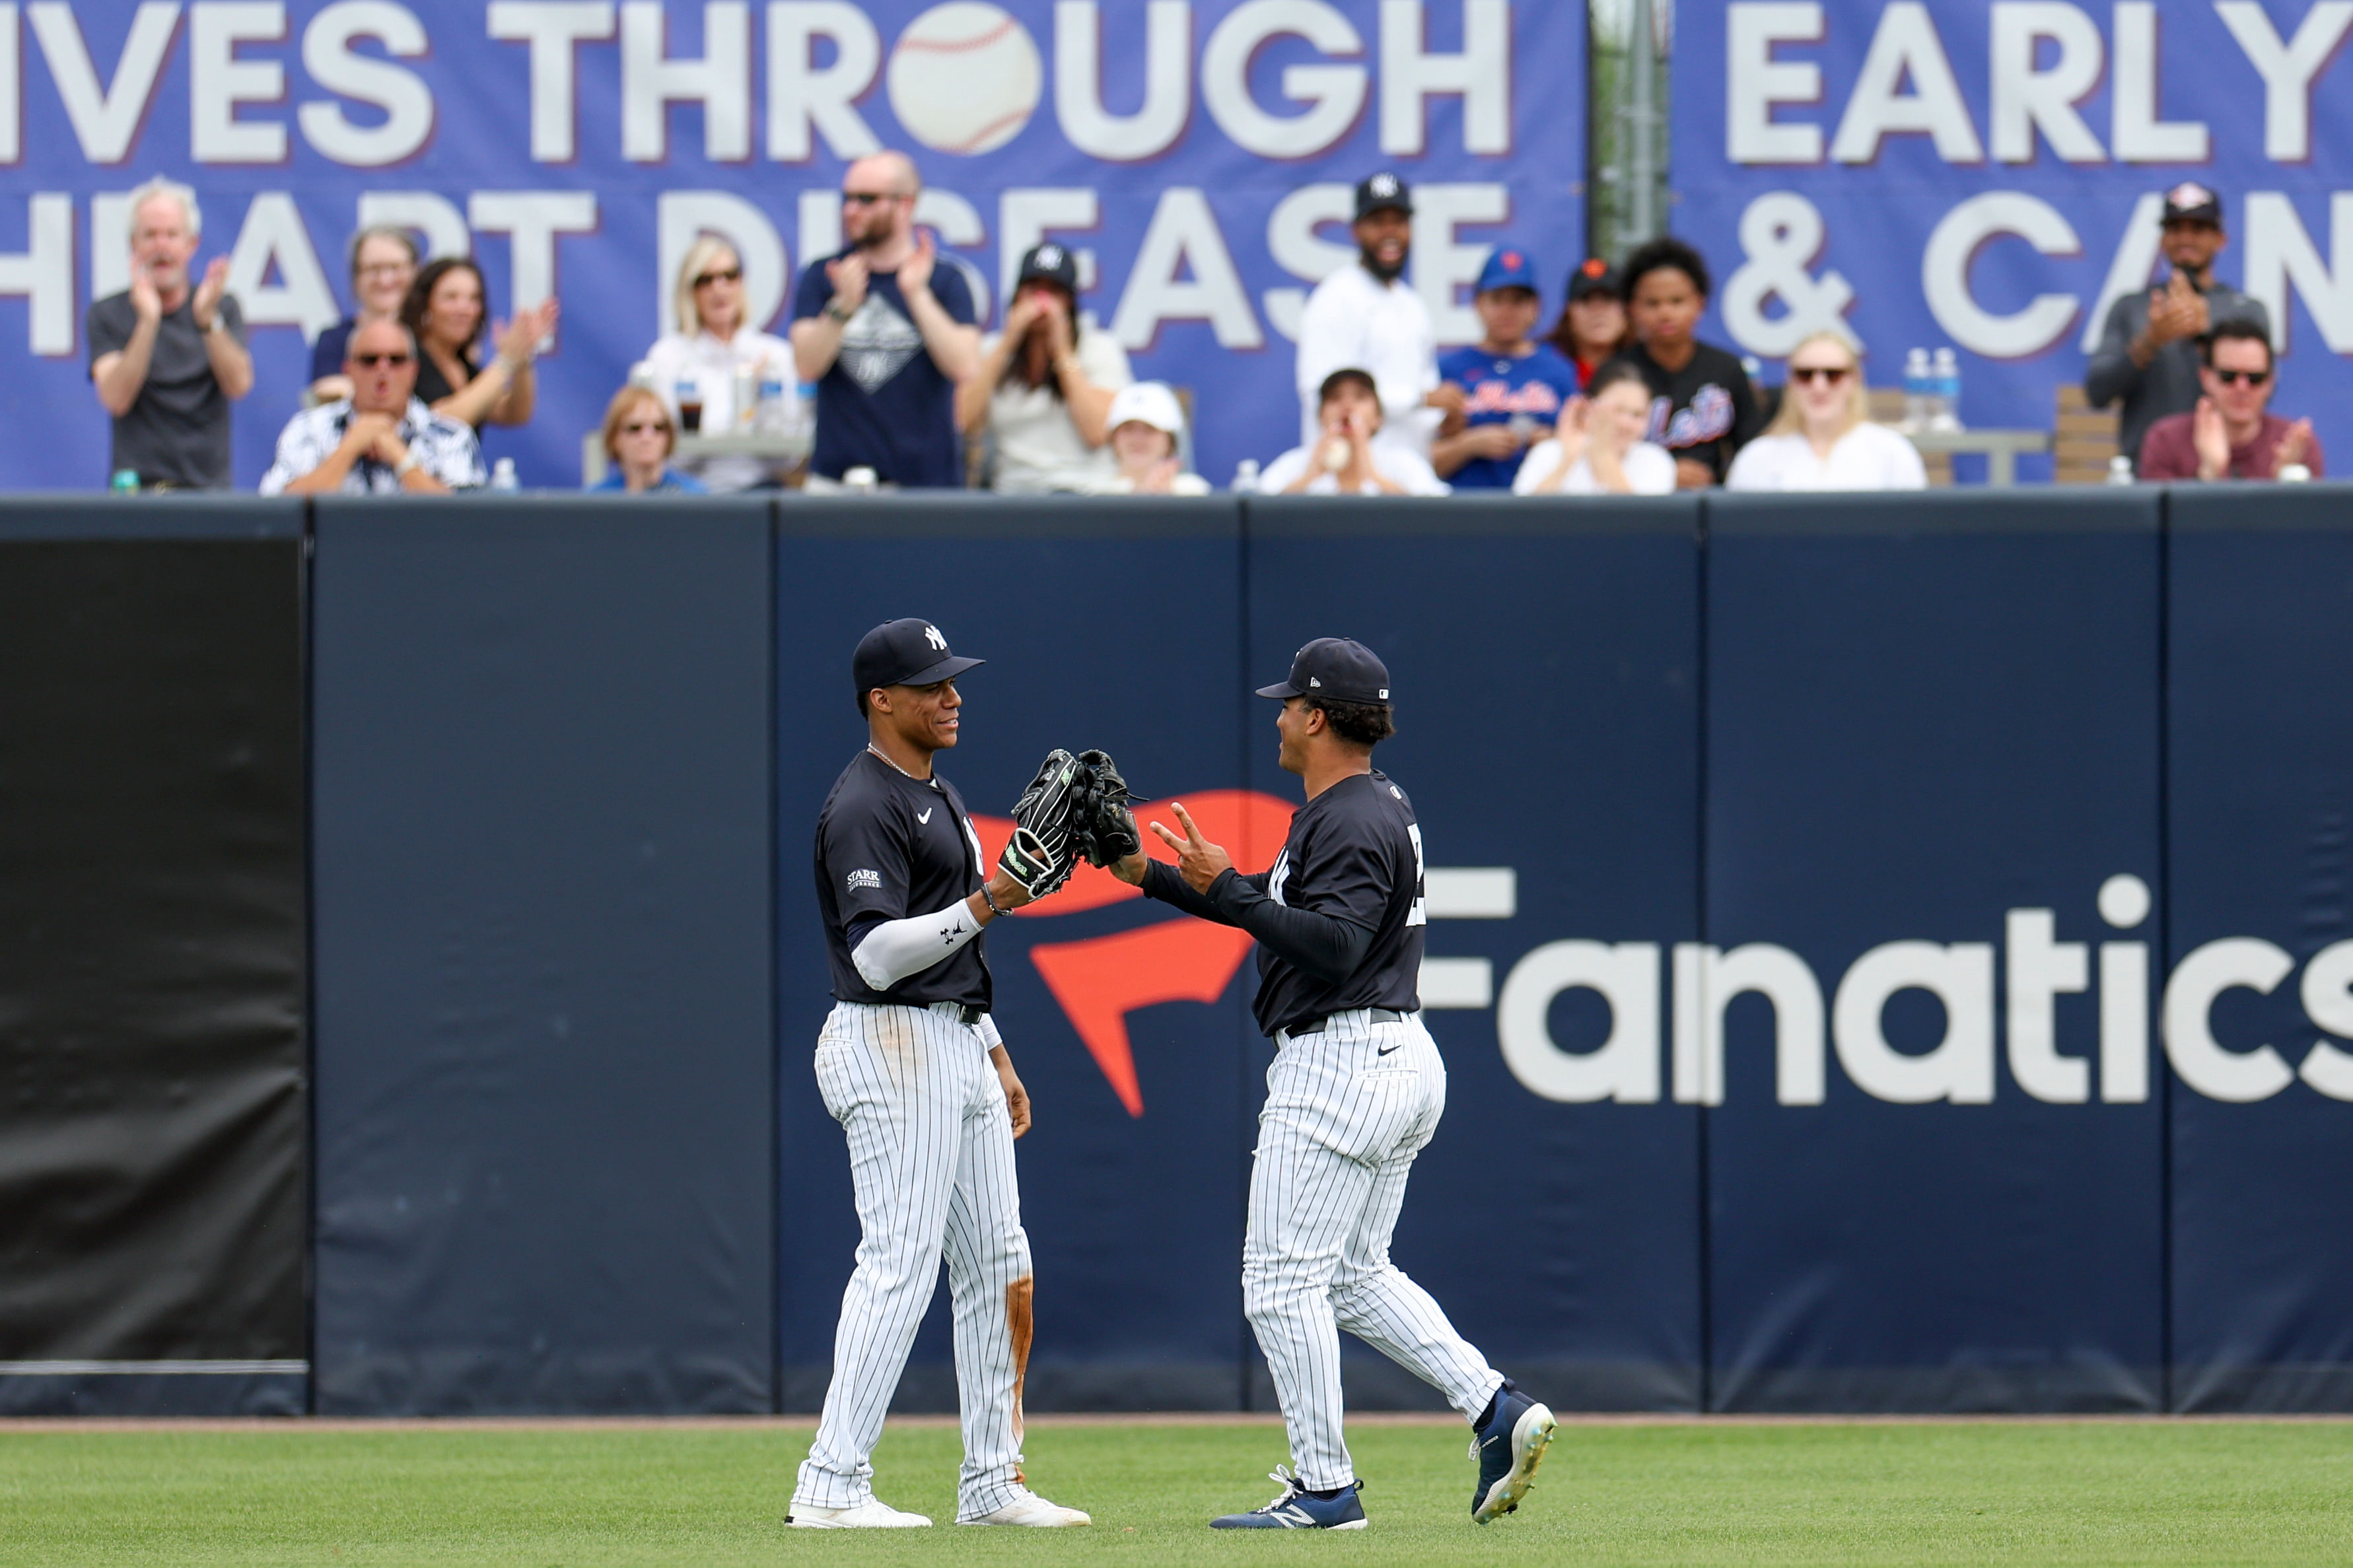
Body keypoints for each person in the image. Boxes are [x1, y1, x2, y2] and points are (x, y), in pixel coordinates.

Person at [1106, 638, 1557, 1531]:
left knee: (1278, 1283)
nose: (1275, 715)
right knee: (1351, 1274)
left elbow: (1336, 944)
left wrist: (1227, 887)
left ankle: (1323, 1487)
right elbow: (1286, 920)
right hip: (1387, 1053)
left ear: (1316, 716)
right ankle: (1494, 1405)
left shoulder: (1347, 815)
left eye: (1286, 703)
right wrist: (1147, 875)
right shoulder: (1366, 801)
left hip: (1341, 1060)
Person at [790, 619, 1089, 1531]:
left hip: (950, 1037)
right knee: (898, 1260)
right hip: (887, 1039)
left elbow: (949, 947)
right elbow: (878, 954)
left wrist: (992, 1047)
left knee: (1002, 1264)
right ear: (881, 699)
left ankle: (991, 1481)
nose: (951, 693)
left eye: (953, 678)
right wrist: (991, 896)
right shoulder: (862, 802)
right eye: (929, 683)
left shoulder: (940, 792)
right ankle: (831, 1482)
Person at [791, 151, 980, 489]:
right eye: (847, 199)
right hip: (839, 481)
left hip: (925, 482)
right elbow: (806, 365)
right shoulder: (825, 276)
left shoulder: (945, 280)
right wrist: (842, 308)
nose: (851, 210)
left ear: (905, 205)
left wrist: (917, 295)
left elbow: (964, 365)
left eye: (866, 199)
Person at [2086, 184, 2270, 476]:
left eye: (2198, 229)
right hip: (2147, 472)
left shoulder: (2245, 310)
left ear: (2220, 239)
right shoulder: (2133, 308)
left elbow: (2262, 392)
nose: (2186, 238)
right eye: (2175, 228)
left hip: (2228, 472)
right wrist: (2150, 341)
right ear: (2162, 240)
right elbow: (2097, 393)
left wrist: (2207, 337)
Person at [87, 177, 252, 491]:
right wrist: (148, 321)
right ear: (133, 245)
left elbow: (239, 384)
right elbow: (115, 398)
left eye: (172, 235)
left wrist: (207, 321)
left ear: (192, 244)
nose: (161, 247)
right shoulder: (106, 313)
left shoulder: (221, 308)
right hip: (136, 493)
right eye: (150, 235)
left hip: (208, 492)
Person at [1292, 172, 1451, 459]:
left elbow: (1427, 390)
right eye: (1378, 222)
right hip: (1348, 483)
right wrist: (1420, 400)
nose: (1390, 233)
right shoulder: (1335, 298)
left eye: (1399, 222)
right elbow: (1321, 395)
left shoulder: (1413, 305)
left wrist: (1444, 418)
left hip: (1409, 476)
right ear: (1356, 230)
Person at [958, 242, 1133, 493]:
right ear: (1017, 295)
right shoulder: (993, 349)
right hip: (1014, 497)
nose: (1042, 302)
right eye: (1033, 290)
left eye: (1054, 292)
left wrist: (1061, 351)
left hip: (1087, 492)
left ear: (1070, 303)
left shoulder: (1099, 348)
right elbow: (963, 419)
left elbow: (1098, 433)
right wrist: (1009, 341)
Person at [1602, 236, 1765, 489]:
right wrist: (1664, 473)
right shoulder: (1616, 374)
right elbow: (1598, 454)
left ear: (1700, 303)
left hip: (1713, 506)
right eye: (1652, 303)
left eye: (1677, 301)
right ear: (1632, 309)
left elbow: (1753, 453)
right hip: (1637, 504)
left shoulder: (1728, 370)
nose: (1665, 313)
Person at [258, 318, 481, 495]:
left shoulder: (451, 436)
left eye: (396, 360)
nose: (383, 369)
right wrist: (349, 448)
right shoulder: (308, 429)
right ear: (348, 369)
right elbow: (280, 515)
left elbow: (464, 525)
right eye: (369, 360)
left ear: (414, 370)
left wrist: (401, 457)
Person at [640, 236, 792, 491]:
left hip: (760, 492)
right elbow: (673, 455)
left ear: (741, 283)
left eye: (729, 276)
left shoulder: (775, 355)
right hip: (688, 495)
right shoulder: (667, 356)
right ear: (689, 291)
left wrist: (762, 401)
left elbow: (787, 457)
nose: (719, 288)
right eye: (705, 280)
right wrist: (743, 401)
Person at [1431, 248, 1581, 489]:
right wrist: (1469, 444)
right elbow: (1419, 463)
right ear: (1478, 303)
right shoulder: (1448, 368)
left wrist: (1552, 444)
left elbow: (1584, 453)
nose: (1507, 311)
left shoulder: (1559, 370)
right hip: (1464, 510)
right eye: (1498, 299)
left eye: (1518, 301)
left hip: (1540, 511)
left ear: (1536, 306)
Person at [1726, 329, 1927, 492]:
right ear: (1791, 382)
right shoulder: (1756, 457)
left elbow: (1915, 532)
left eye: (1833, 375)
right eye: (1805, 375)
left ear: (1854, 380)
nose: (1819, 387)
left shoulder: (1892, 452)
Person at [2136, 321, 2324, 483]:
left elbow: (2311, 522)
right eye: (2228, 376)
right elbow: (2165, 524)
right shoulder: (2166, 440)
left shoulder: (2296, 446)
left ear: (2270, 382)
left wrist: (2286, 483)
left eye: (2255, 378)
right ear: (2206, 378)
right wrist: (2210, 473)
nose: (2242, 388)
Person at [401, 256, 559, 436]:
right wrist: (505, 362)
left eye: (474, 299)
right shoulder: (405, 358)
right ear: (425, 304)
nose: (464, 309)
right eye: (451, 297)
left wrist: (522, 360)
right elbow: (439, 423)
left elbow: (514, 413)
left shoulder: (464, 366)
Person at [1262, 369, 1449, 497]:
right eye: (1335, 398)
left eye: (1360, 397)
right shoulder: (1293, 464)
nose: (1347, 406)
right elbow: (1256, 515)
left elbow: (1434, 515)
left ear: (1378, 418)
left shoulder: (1404, 463)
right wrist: (1309, 477)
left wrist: (1373, 477)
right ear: (1320, 417)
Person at [1513, 361, 1677, 496]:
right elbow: (1521, 519)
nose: (1626, 423)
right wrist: (1568, 459)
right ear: (1590, 406)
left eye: (1637, 415)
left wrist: (1603, 454)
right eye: (1618, 410)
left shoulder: (1655, 460)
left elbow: (1643, 523)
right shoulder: (1549, 452)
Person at [310, 225, 419, 404]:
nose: (385, 280)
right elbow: (327, 395)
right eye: (373, 269)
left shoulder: (431, 337)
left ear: (415, 272)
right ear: (356, 278)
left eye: (396, 267)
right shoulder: (335, 340)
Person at [1090, 382, 1211, 495]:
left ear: (1170, 441)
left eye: (1150, 429)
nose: (1138, 438)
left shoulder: (1194, 491)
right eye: (1128, 428)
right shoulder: (1094, 492)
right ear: (1114, 438)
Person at [589, 386, 709, 493]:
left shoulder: (692, 496)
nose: (647, 437)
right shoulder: (597, 500)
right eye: (635, 428)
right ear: (615, 438)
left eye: (658, 427)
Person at [1543, 257, 1632, 390]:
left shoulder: (1645, 366)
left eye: (1608, 300)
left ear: (1625, 310)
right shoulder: (1545, 366)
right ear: (1569, 313)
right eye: (1586, 301)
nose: (1598, 311)